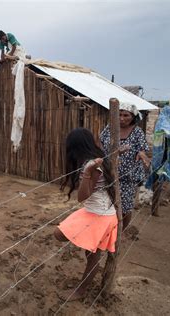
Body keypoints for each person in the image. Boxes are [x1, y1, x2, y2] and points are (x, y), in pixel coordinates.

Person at [54, 128, 117, 301]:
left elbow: (82, 197)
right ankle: (84, 280)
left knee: (92, 256)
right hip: (95, 210)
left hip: (99, 215)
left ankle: (80, 292)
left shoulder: (91, 166)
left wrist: (87, 174)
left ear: (74, 148)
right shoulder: (98, 159)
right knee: (62, 235)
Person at [100, 99, 150, 230]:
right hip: (108, 174)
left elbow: (142, 149)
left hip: (128, 178)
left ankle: (120, 231)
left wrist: (142, 154)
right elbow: (101, 145)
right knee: (107, 204)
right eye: (119, 114)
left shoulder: (137, 132)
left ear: (133, 116)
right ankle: (108, 230)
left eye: (126, 115)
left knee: (125, 207)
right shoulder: (109, 129)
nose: (121, 118)